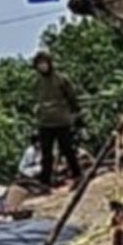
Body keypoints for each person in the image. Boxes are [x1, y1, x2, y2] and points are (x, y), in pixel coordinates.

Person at [32, 50, 83, 188]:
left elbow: (72, 97)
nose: (42, 66)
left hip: (61, 120)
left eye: (44, 63)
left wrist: (75, 113)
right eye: (39, 64)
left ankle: (77, 173)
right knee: (46, 153)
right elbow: (37, 101)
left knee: (67, 149)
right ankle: (45, 180)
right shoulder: (37, 82)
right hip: (45, 122)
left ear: (49, 63)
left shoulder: (61, 79)